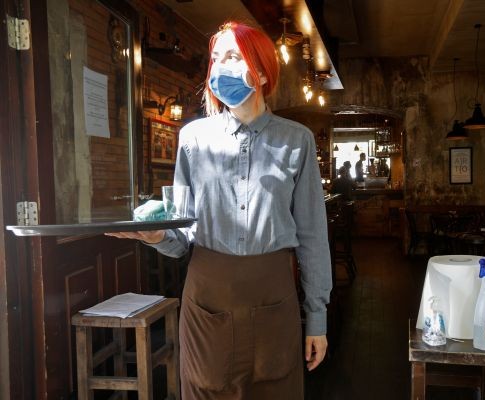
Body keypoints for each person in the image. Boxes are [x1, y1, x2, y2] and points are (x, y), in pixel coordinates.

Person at [107, 21, 331, 399]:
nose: (220, 67)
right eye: (215, 59)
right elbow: (181, 238)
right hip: (207, 295)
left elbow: (311, 236)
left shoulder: (297, 141)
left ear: (260, 71)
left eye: (231, 56)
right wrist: (158, 235)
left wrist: (317, 318)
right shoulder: (194, 139)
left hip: (273, 295)